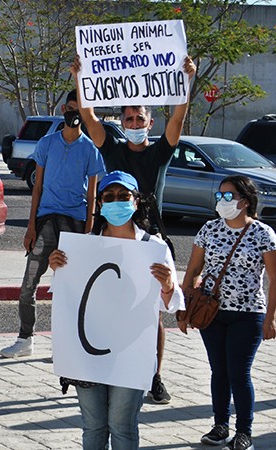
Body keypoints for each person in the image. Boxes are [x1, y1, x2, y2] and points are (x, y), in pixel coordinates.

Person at [71, 54, 198, 404]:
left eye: (139, 117)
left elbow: (179, 116)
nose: (134, 121)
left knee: (150, 313)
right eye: (128, 117)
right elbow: (88, 117)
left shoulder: (160, 153)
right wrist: (82, 80)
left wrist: (186, 82)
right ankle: (100, 365)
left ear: (149, 120)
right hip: (111, 235)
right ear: (122, 122)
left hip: (146, 237)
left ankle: (153, 374)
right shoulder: (111, 149)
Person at [49, 170, 182, 449]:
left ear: (136, 202)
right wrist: (57, 268)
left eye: (124, 196)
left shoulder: (154, 247)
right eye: (108, 196)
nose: (116, 202)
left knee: (122, 426)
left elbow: (169, 305)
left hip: (130, 354)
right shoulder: (83, 247)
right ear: (99, 204)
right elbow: (66, 296)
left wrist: (169, 285)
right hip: (87, 354)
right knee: (93, 426)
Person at [0, 89, 105, 359]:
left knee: (70, 287)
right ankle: (25, 338)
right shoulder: (47, 143)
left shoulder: (90, 149)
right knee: (28, 284)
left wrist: (90, 230)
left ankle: (68, 344)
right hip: (45, 220)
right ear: (63, 110)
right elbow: (37, 188)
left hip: (75, 224)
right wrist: (31, 226)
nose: (74, 114)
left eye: (80, 110)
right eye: (71, 108)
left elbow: (92, 193)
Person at [180, 175, 276, 450]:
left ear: (244, 201)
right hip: (211, 312)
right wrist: (183, 309)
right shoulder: (209, 229)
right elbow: (192, 270)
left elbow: (275, 278)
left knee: (239, 372)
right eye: (219, 196)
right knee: (219, 371)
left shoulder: (263, 234)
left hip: (248, 313)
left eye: (228, 196)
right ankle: (220, 425)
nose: (221, 201)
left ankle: (244, 432)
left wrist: (271, 318)